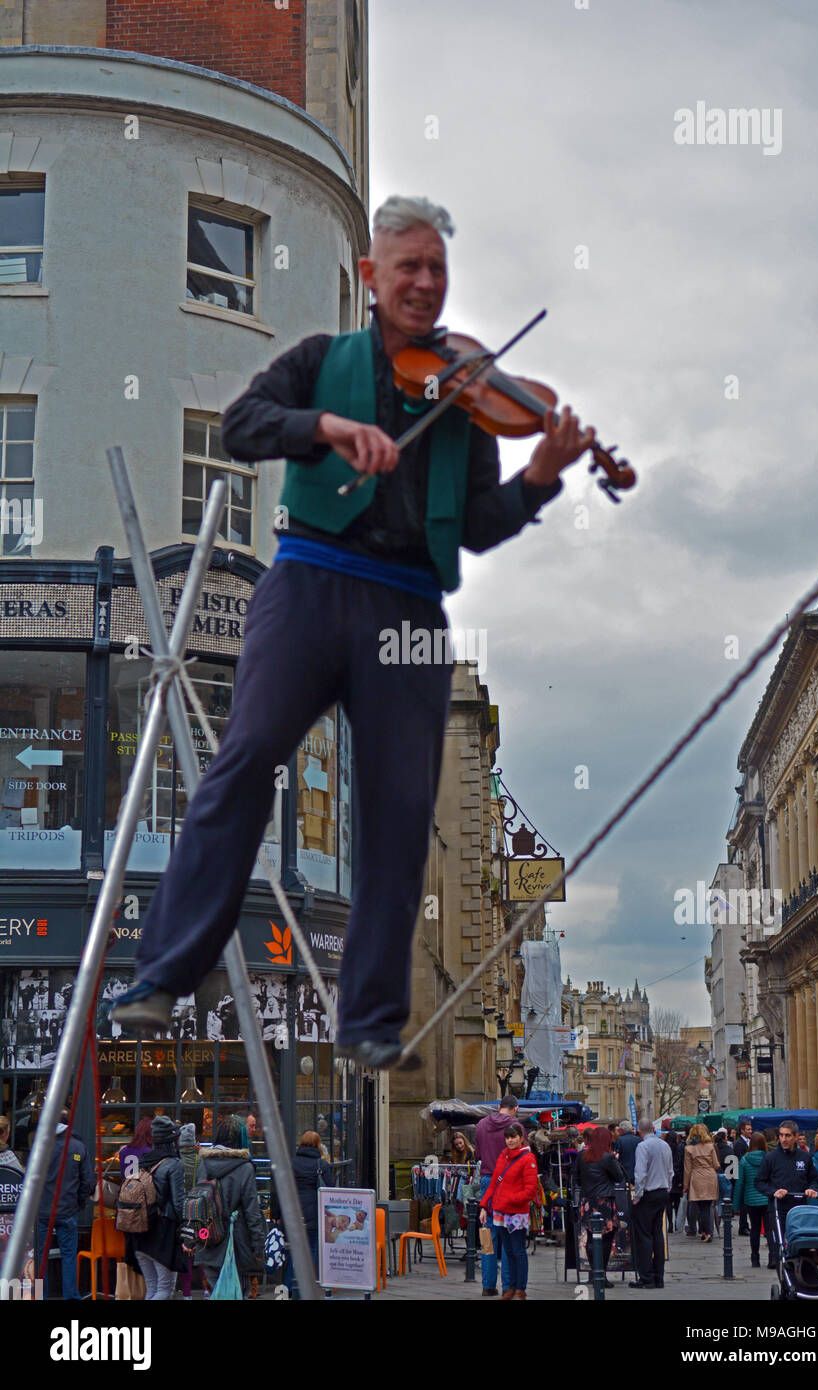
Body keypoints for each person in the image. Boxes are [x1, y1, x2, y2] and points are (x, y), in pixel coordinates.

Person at [109, 195, 597, 1069]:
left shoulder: (464, 396)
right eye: (406, 265)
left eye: (436, 269)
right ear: (372, 277)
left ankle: (370, 1021)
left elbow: (478, 523)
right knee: (247, 752)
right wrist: (327, 427)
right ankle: (162, 974)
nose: (422, 281)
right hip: (310, 581)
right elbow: (242, 424)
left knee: (403, 809)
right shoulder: (319, 361)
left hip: (408, 604)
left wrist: (543, 477)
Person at [195, 1115, 266, 1298]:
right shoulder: (245, 1168)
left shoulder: (204, 1164)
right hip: (238, 1246)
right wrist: (258, 1247)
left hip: (208, 1241)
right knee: (239, 1293)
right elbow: (252, 1212)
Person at [36, 1108, 95, 1301]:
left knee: (41, 1256)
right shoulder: (77, 1146)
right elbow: (87, 1181)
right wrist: (79, 1202)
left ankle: (40, 1295)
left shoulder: (41, 1145)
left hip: (44, 1210)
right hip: (68, 1209)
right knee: (69, 1254)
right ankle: (71, 1295)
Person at [270, 1129, 334, 1299]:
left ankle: (288, 1287)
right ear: (318, 1145)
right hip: (314, 1214)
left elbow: (278, 1189)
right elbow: (331, 1190)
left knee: (293, 1250)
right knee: (310, 1249)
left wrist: (276, 1213)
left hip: (291, 1213)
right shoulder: (322, 1165)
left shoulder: (290, 1163)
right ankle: (298, 1287)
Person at [478, 1122, 538, 1301]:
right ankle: (510, 1288)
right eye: (507, 1137)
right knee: (507, 1251)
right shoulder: (503, 1156)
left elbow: (530, 1190)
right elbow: (495, 1181)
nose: (510, 1140)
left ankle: (520, 1288)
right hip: (500, 1212)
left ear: (521, 1137)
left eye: (513, 1137)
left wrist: (507, 1199)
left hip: (516, 1213)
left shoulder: (528, 1159)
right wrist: (483, 1205)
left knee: (518, 1250)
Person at [129, 1115, 185, 1300]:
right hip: (163, 1233)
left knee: (152, 1288)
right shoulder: (174, 1164)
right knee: (164, 1289)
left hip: (139, 1231)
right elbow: (178, 1204)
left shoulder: (144, 1160)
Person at [754, 1120, 818, 1270]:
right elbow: (759, 1182)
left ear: (796, 1136)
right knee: (779, 1243)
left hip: (799, 1207)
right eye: (781, 1135)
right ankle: (781, 1271)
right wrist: (773, 1192)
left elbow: (813, 1179)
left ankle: (802, 1272)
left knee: (801, 1243)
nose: (784, 1139)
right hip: (778, 1207)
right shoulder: (770, 1157)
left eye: (788, 1135)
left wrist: (812, 1189)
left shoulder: (805, 1157)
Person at [474, 1094, 520, 1296]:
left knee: (488, 1235)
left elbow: (477, 1156)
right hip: (507, 1181)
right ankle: (508, 1285)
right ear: (515, 1108)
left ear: (499, 1106)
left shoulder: (481, 1124)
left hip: (487, 1181)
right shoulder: (516, 1128)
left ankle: (488, 1285)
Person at [574, 1126, 625, 1287]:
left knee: (590, 1236)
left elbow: (576, 1178)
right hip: (604, 1201)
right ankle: (601, 1275)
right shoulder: (608, 1158)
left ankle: (595, 1273)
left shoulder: (582, 1156)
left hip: (588, 1201)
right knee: (606, 1238)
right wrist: (615, 1160)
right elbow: (618, 1177)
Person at [630, 1117, 673, 1290]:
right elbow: (671, 1172)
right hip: (662, 1192)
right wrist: (667, 1189)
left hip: (648, 1193)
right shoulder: (665, 1145)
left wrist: (637, 1196)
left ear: (639, 1130)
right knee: (657, 1234)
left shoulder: (643, 1146)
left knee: (644, 1236)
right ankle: (659, 1277)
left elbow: (640, 1174)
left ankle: (646, 1277)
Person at [732, 1131, 771, 1267]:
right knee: (769, 1229)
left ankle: (755, 1258)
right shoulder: (769, 1158)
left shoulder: (744, 1160)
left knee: (754, 1228)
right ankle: (772, 1258)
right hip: (767, 1198)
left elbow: (739, 1183)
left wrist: (736, 1205)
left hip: (751, 1199)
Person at [683, 1123, 719, 1242]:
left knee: (700, 1206)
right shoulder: (710, 1146)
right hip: (710, 1176)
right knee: (707, 1206)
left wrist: (685, 1185)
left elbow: (687, 1169)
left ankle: (705, 1232)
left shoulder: (689, 1149)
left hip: (697, 1177)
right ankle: (707, 1232)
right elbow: (716, 1164)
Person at [177, 1123, 199, 1300]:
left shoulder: (177, 1162)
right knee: (203, 1253)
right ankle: (207, 1291)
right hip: (200, 1213)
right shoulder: (201, 1160)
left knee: (186, 1255)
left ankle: (186, 1293)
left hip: (182, 1213)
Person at [732, 1119, 752, 1236]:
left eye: (751, 1129)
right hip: (742, 1176)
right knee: (744, 1205)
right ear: (742, 1130)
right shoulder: (739, 1144)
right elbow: (739, 1161)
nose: (751, 1131)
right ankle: (743, 1226)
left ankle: (745, 1226)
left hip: (746, 1177)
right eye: (748, 1129)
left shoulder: (748, 1142)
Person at [714, 1128, 735, 1234]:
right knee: (725, 1200)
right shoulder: (729, 1150)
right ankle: (725, 1219)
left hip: (715, 1176)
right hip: (727, 1177)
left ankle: (717, 1216)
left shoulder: (714, 1148)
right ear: (725, 1138)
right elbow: (733, 1169)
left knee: (717, 1200)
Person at [663, 1131, 684, 1228]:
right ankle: (676, 1223)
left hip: (666, 1178)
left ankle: (670, 1224)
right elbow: (678, 1164)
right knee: (677, 1202)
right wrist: (680, 1180)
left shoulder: (664, 1148)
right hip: (676, 1178)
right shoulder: (678, 1148)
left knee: (668, 1203)